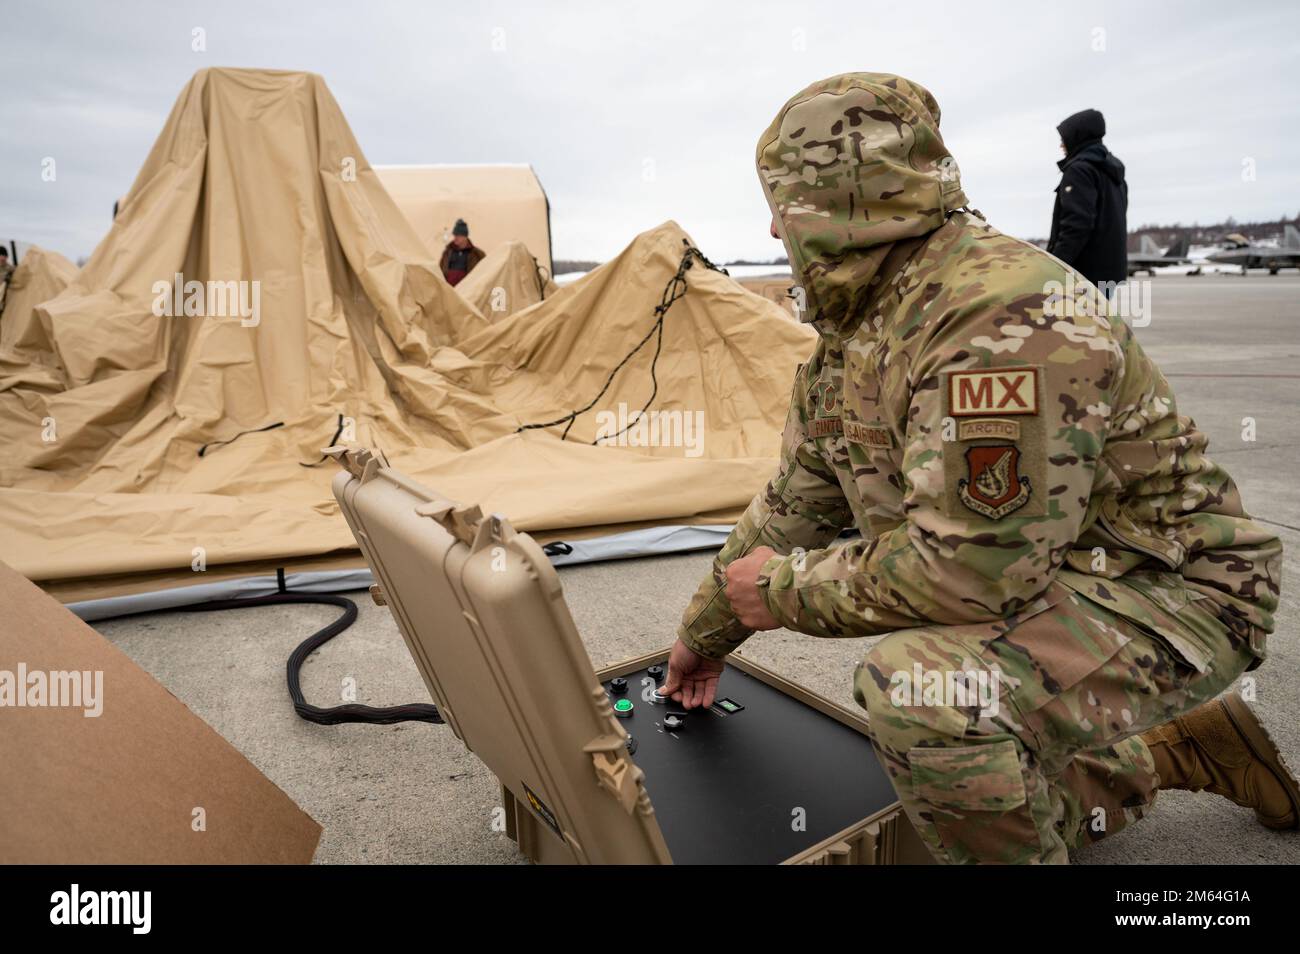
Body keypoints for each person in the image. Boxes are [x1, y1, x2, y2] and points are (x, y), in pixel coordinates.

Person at [659, 73, 1293, 864]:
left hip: (1178, 589)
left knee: (928, 696)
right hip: (1062, 572)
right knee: (954, 727)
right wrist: (704, 637)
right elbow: (791, 505)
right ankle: (1176, 751)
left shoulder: (1000, 314)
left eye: (782, 203)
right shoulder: (856, 338)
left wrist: (781, 590)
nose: (773, 228)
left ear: (835, 206)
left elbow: (970, 573)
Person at [1047, 108, 1128, 290]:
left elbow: (1076, 225)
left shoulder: (1080, 171)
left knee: (1068, 319)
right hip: (1108, 273)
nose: (1061, 146)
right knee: (1099, 318)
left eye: (1063, 140)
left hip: (1082, 275)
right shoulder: (1112, 172)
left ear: (1077, 138)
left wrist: (1054, 267)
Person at [438, 219, 485, 287]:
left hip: (467, 292)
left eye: (458, 235)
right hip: (449, 291)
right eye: (454, 235)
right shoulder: (447, 252)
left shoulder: (477, 254)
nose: (455, 238)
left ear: (465, 237)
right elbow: (440, 272)